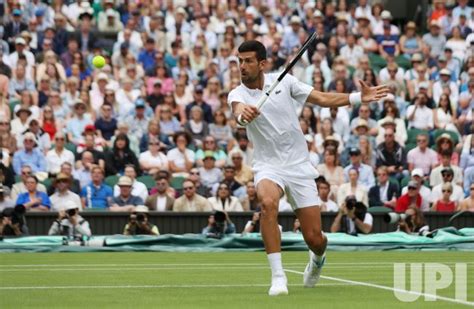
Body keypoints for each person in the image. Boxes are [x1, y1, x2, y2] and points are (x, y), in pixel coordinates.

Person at [229, 40, 387, 295]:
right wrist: (242, 116)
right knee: (267, 204)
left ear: (262, 64)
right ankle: (278, 277)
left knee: (315, 238)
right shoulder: (237, 94)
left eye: (248, 61)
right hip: (268, 166)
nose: (243, 66)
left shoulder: (286, 82)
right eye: (240, 61)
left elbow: (322, 98)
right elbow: (237, 112)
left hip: (299, 166)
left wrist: (359, 98)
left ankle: (317, 259)